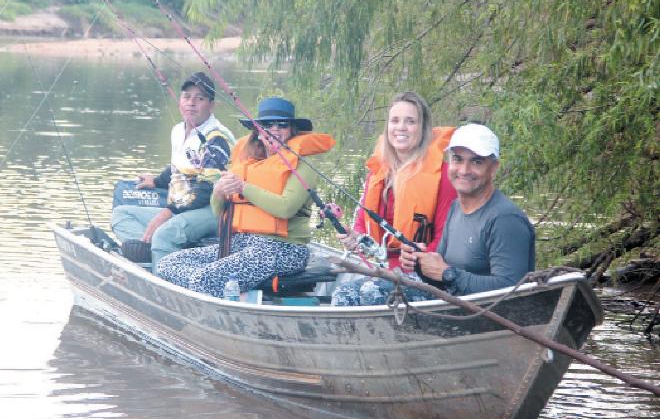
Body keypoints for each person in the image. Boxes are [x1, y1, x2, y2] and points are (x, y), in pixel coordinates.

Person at [156, 97, 336, 297]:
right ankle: (213, 289)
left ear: (292, 129)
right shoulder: (248, 163)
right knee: (167, 264)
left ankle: (212, 291)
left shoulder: (302, 167)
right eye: (267, 124)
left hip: (283, 250)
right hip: (242, 243)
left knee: (203, 279)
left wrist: (243, 186)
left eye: (282, 124)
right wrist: (219, 192)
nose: (274, 130)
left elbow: (285, 208)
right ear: (258, 131)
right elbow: (218, 212)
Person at [331, 91, 457, 306]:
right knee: (344, 294)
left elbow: (448, 236)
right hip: (387, 271)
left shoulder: (443, 176)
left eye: (410, 121)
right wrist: (354, 238)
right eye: (395, 120)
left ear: (423, 128)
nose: (401, 128)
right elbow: (363, 225)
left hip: (425, 276)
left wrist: (420, 256)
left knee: (362, 294)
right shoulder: (377, 174)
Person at [111, 72, 235, 267]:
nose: (191, 103)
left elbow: (207, 189)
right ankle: (154, 253)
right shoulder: (178, 130)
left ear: (211, 105)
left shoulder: (217, 138)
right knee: (121, 215)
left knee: (164, 233)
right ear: (180, 101)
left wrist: (168, 211)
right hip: (183, 206)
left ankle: (165, 280)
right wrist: (158, 180)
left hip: (214, 209)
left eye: (200, 98)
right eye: (186, 97)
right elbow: (180, 166)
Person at [400, 123, 536, 295]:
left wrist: (447, 273)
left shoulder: (506, 219)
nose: (464, 170)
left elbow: (511, 288)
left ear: (494, 168)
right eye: (457, 159)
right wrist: (419, 262)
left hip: (488, 317)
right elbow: (442, 279)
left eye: (476, 162)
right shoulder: (455, 207)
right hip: (453, 310)